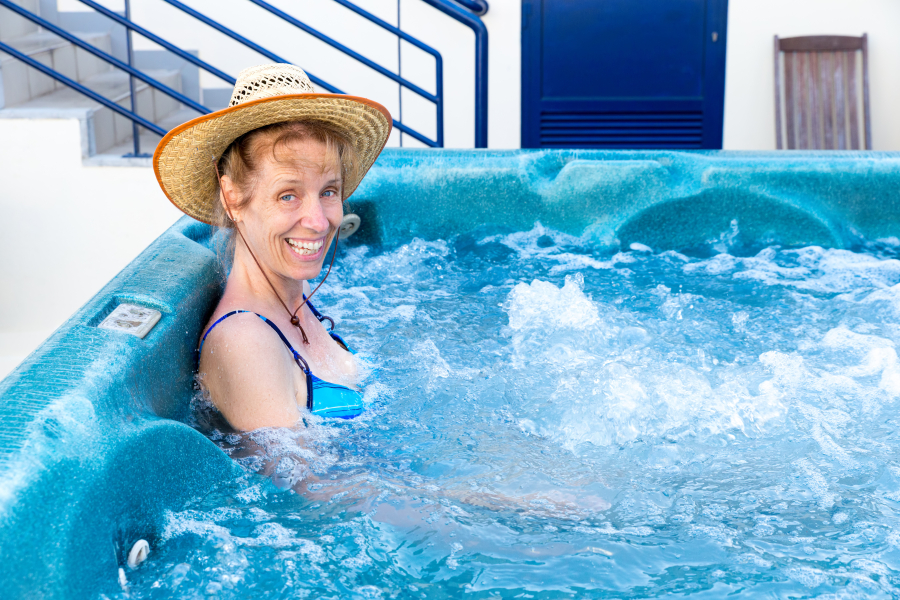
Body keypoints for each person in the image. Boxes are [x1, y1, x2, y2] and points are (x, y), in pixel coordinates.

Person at [153, 63, 392, 433]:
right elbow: (310, 489)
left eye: (328, 191)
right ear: (233, 199)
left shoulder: (293, 298)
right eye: (288, 195)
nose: (318, 221)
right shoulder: (245, 344)